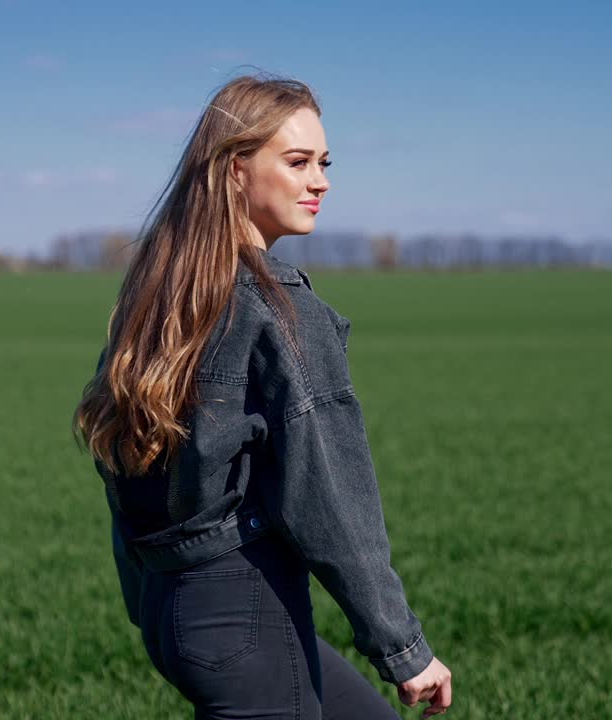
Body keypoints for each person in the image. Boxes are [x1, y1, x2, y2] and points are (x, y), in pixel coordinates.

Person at [72, 73, 452, 719]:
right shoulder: (280, 313)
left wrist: (148, 595)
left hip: (176, 609)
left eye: (324, 163)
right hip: (242, 608)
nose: (321, 181)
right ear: (234, 172)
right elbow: (329, 498)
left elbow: (124, 467)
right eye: (297, 161)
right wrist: (404, 648)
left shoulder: (160, 299)